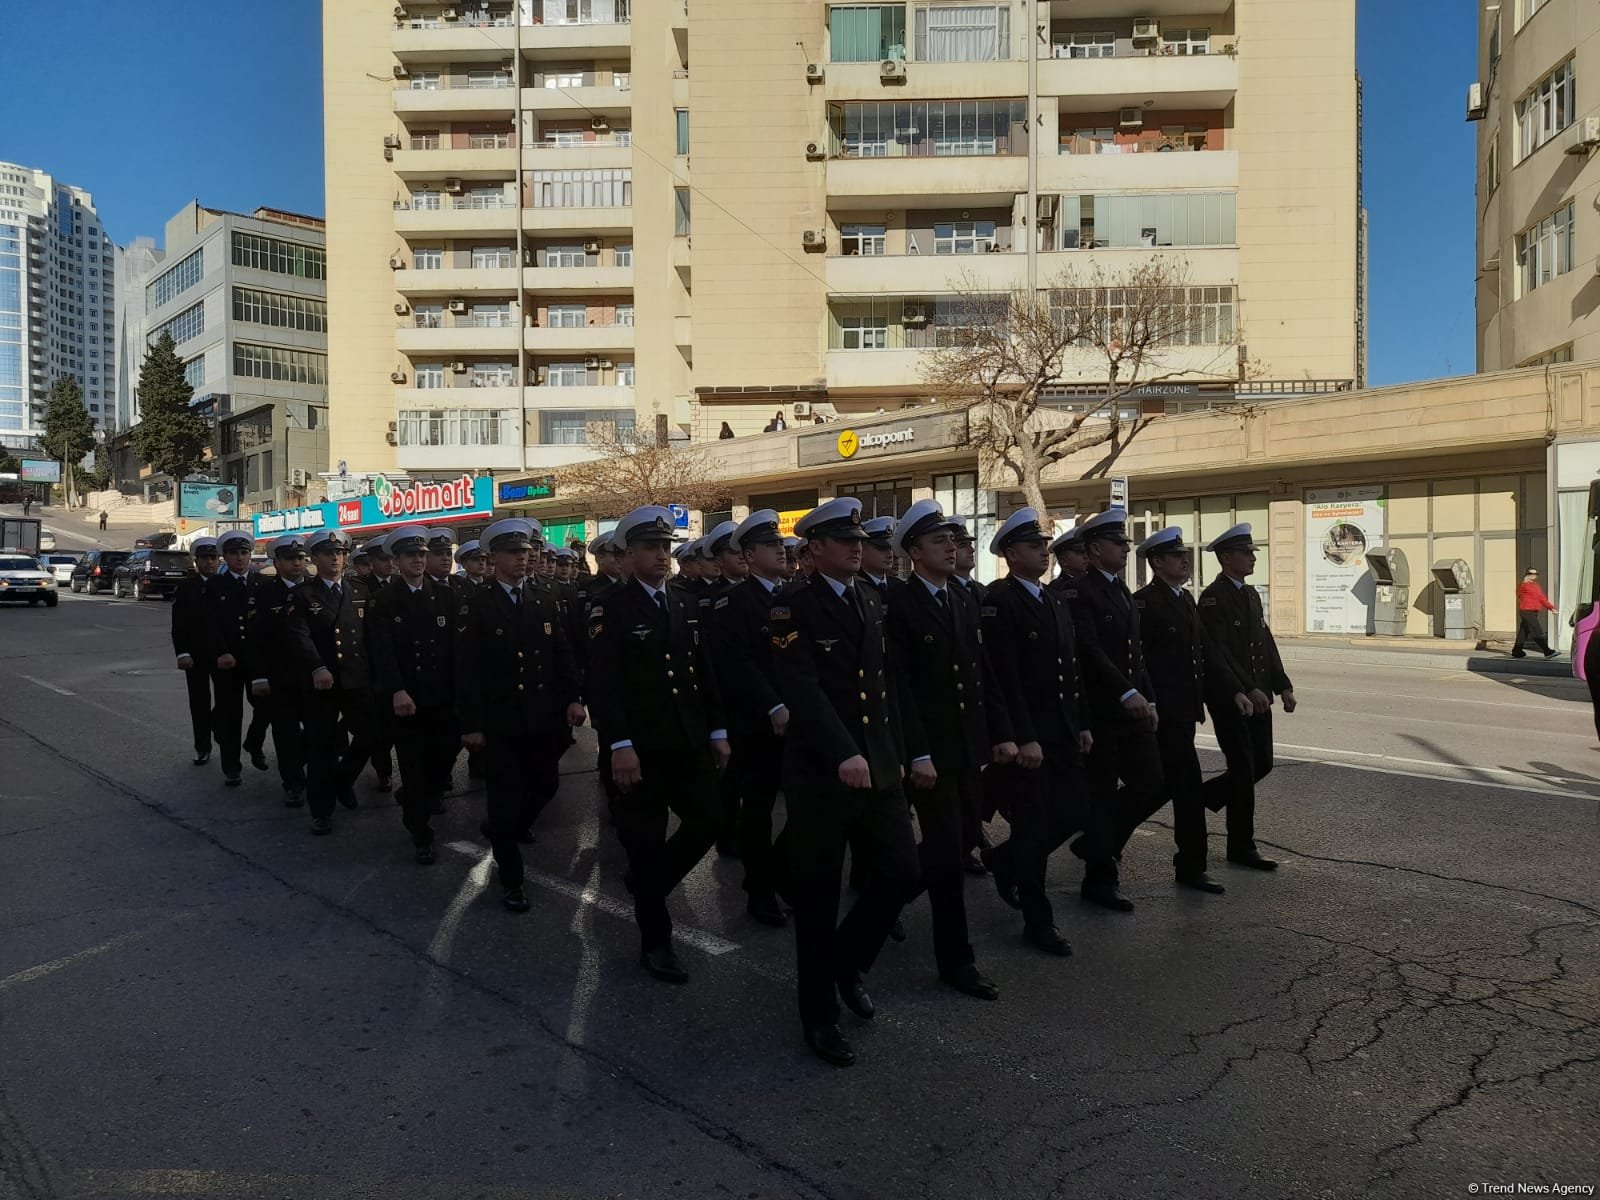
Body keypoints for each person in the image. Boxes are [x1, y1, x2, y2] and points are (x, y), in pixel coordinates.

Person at [769, 497, 921, 1067]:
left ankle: (847, 962)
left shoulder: (872, 600)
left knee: (903, 873)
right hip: (821, 773)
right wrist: (843, 752)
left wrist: (897, 755)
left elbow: (885, 690)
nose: (859, 547)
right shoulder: (792, 607)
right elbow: (801, 689)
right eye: (844, 539)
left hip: (878, 768)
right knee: (817, 898)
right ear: (813, 549)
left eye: (861, 539)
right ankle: (819, 1016)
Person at [585, 506, 730, 982]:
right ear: (627, 556)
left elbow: (705, 670)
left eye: (665, 547)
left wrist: (717, 730)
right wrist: (620, 744)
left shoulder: (685, 601)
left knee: (710, 819)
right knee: (644, 845)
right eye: (650, 548)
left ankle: (651, 883)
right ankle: (656, 943)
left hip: (687, 740)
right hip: (639, 748)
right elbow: (603, 684)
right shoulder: (610, 608)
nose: (661, 556)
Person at [886, 499, 1014, 1002]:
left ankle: (886, 900)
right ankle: (955, 960)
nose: (951, 547)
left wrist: (1000, 731)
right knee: (945, 854)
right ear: (914, 551)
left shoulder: (961, 599)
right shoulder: (899, 605)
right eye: (939, 541)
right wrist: (917, 753)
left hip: (966, 748)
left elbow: (983, 676)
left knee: (957, 842)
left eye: (953, 541)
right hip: (930, 753)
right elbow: (899, 688)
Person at [978, 508, 1094, 956]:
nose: (1044, 553)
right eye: (1033, 546)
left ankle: (1004, 862)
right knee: (1031, 825)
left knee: (1075, 812)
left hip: (1062, 732)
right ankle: (1037, 919)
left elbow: (1071, 670)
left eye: (1045, 545)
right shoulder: (999, 601)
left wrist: (1081, 722)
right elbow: (1001, 677)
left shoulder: (1053, 599)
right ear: (1010, 553)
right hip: (1029, 738)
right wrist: (1020, 736)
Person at [1134, 527, 1250, 895]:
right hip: (1162, 712)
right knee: (1181, 789)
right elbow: (1138, 662)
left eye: (1185, 555)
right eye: (1176, 556)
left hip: (1185, 710)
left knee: (1168, 787)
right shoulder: (1144, 603)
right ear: (1156, 563)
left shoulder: (1184, 600)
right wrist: (1147, 700)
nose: (1185, 561)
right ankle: (1189, 865)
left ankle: (1099, 843)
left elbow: (1208, 653)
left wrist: (1234, 690)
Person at [1066, 508, 1167, 913]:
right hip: (1102, 710)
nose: (1126, 550)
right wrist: (1127, 693)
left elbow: (1134, 654)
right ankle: (1100, 879)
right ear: (1094, 550)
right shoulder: (1080, 592)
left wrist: (1148, 695)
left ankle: (1095, 844)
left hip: (1131, 706)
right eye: (1117, 544)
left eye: (1125, 544)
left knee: (1153, 783)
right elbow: (1089, 651)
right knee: (1103, 796)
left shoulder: (1122, 591)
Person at [706, 510, 791, 926]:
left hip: (799, 722)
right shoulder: (733, 601)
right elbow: (735, 664)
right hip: (756, 725)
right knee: (757, 813)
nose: (781, 549)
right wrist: (771, 705)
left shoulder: (792, 595)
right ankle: (760, 890)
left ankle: (776, 874)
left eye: (781, 544)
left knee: (810, 809)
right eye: (771, 546)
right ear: (750, 556)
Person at [1197, 523, 1296, 871]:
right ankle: (1241, 846)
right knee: (1242, 769)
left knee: (1262, 764)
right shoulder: (1213, 597)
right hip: (1231, 697)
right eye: (1247, 552)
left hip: (1259, 696)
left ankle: (1203, 797)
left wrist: (1282, 684)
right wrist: (1243, 688)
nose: (1253, 557)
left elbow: (1264, 643)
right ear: (1227, 558)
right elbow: (1218, 651)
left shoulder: (1251, 595)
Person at [368, 525, 460, 865]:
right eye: (411, 556)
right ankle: (421, 832)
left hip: (441, 695)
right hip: (406, 698)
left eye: (422, 555)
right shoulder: (385, 599)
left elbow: (454, 646)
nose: (419, 561)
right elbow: (382, 650)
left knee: (447, 752)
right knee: (413, 764)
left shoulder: (444, 595)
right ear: (397, 561)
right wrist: (397, 690)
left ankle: (416, 797)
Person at [285, 529, 376, 835]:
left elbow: (370, 637)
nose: (335, 559)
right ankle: (321, 810)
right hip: (321, 681)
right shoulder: (303, 595)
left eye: (340, 553)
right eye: (328, 554)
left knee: (373, 734)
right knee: (321, 748)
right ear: (314, 559)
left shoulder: (359, 589)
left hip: (356, 678)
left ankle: (344, 779)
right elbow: (299, 636)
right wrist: (317, 667)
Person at [203, 529, 272, 787]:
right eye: (234, 554)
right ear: (225, 557)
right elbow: (210, 624)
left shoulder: (263, 584)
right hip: (228, 662)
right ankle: (231, 766)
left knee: (267, 707)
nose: (240, 558)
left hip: (258, 661)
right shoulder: (214, 587)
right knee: (229, 716)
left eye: (244, 553)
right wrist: (222, 652)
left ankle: (254, 742)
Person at [250, 535, 312, 808]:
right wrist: (259, 676)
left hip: (313, 676)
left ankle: (306, 768)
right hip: (280, 677)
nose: (297, 564)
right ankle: (294, 783)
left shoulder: (317, 588)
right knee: (285, 733)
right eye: (290, 559)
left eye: (300, 558)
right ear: (277, 562)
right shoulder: (264, 593)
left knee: (316, 732)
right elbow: (254, 641)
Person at [171, 536, 221, 766]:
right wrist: (182, 653)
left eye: (213, 558)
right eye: (205, 559)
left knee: (224, 702)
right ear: (196, 561)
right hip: (196, 656)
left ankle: (217, 727)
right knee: (199, 702)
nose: (210, 563)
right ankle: (202, 746)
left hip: (224, 656)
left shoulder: (226, 584)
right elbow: (179, 624)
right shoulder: (186, 588)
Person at [1513, 568, 1560, 658]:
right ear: (1527, 574)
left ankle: (1517, 651)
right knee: (1536, 631)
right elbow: (1518, 594)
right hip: (1526, 611)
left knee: (1524, 632)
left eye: (1535, 573)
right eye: (1531, 573)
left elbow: (1542, 598)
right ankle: (1547, 651)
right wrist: (1524, 582)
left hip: (1533, 612)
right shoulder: (1523, 585)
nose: (1533, 575)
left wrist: (1551, 608)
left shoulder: (1536, 586)